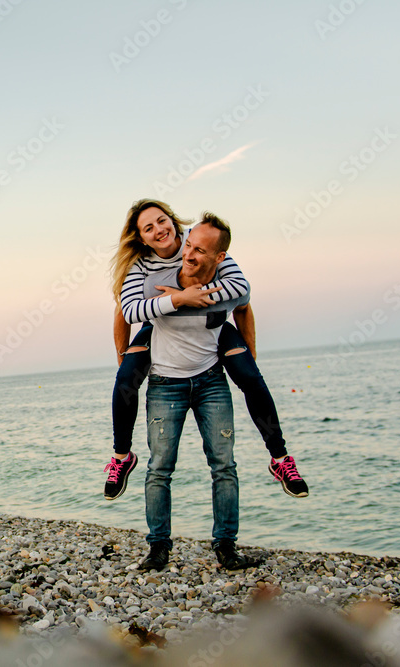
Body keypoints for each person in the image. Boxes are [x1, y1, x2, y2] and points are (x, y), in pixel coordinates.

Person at [103, 199, 308, 502]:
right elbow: (127, 310)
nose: (159, 230)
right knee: (125, 380)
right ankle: (122, 457)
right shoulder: (140, 264)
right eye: (148, 228)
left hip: (212, 325)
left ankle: (280, 459)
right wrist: (175, 302)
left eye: (161, 221)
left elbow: (242, 292)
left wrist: (197, 298)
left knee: (251, 378)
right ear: (141, 237)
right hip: (163, 328)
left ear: (172, 220)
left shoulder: (199, 242)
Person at [136, 214, 260, 571]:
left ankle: (226, 546)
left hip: (211, 381)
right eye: (188, 244)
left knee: (224, 466)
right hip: (165, 383)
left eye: (199, 250)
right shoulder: (155, 280)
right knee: (159, 468)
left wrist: (249, 354)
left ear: (219, 258)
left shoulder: (226, 284)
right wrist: (178, 297)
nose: (188, 254)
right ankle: (158, 548)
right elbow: (128, 309)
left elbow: (244, 301)